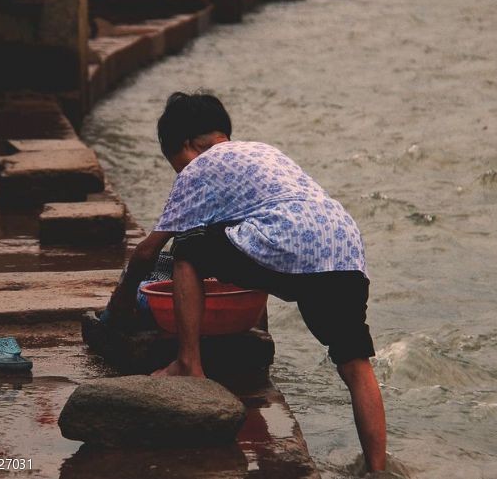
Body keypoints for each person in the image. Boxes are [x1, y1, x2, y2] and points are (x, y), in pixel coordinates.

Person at [106, 91, 387, 472]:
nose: (179, 173)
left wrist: (119, 303)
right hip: (343, 246)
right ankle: (378, 466)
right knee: (355, 363)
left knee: (188, 246)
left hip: (290, 239)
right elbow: (257, 253)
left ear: (187, 146)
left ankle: (189, 363)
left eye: (175, 164)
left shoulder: (200, 166)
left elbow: (148, 252)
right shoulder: (262, 153)